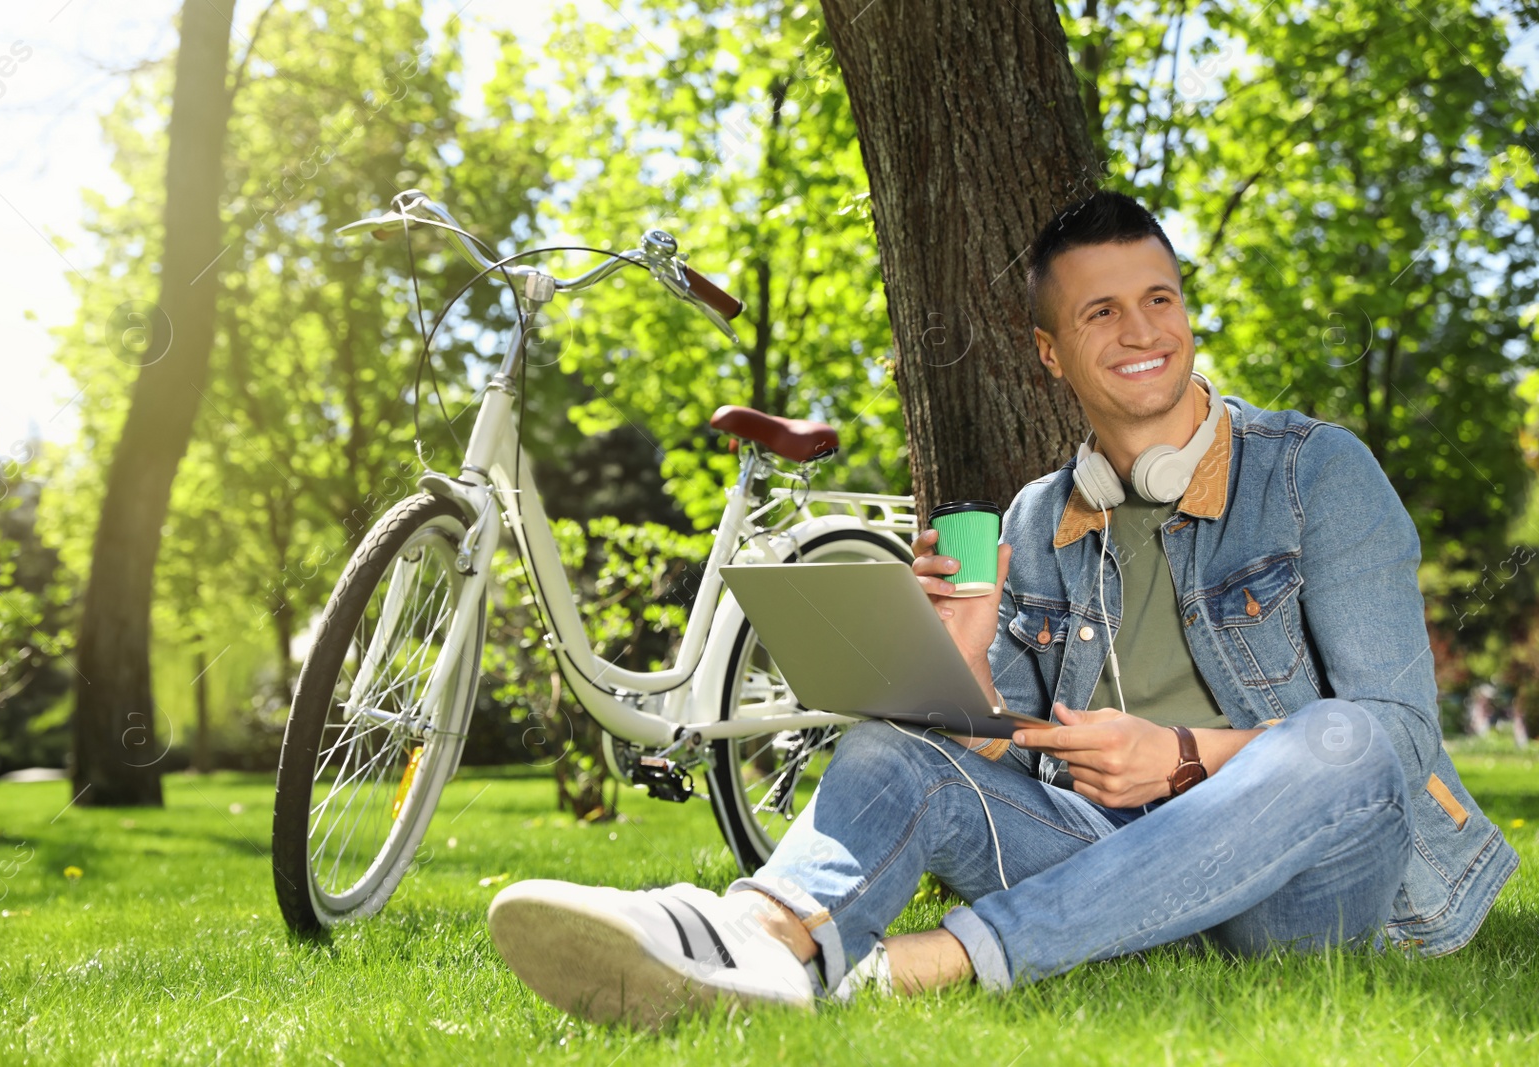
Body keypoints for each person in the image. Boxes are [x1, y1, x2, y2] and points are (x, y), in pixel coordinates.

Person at [485, 190, 1519, 1029]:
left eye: (1158, 299)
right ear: (1049, 353)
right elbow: (1002, 757)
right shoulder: (1038, 517)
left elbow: (1392, 740)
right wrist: (967, 656)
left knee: (1340, 737)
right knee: (895, 747)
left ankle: (938, 960)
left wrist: (1183, 756)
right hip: (1108, 855)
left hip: (1297, 887)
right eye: (1099, 313)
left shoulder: (1314, 473)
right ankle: (752, 932)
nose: (1140, 331)